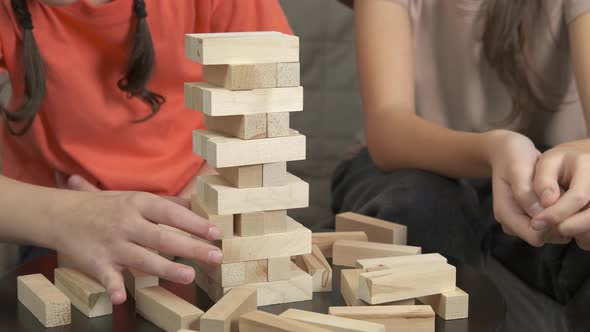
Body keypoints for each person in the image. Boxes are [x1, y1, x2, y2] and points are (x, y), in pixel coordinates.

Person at [0, 0, 292, 304]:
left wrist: (181, 215)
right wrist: (68, 217)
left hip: (200, 202)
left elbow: (263, 110)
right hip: (55, 219)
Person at [332, 0, 590, 307]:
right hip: (410, 165)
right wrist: (495, 148)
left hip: (541, 165)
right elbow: (387, 132)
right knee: (415, 212)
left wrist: (573, 156)